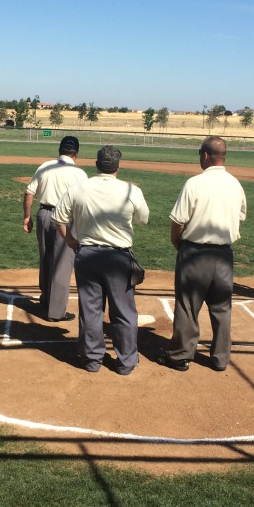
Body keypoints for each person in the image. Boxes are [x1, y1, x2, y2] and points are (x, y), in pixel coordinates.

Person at [53, 145, 150, 375]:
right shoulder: (131, 191)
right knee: (124, 311)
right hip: (118, 257)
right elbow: (143, 219)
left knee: (90, 309)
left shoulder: (79, 188)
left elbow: (59, 218)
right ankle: (126, 361)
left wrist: (71, 242)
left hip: (88, 255)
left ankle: (92, 359)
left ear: (96, 165)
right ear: (118, 166)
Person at [157, 137, 245, 372]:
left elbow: (178, 221)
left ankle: (181, 355)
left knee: (187, 306)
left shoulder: (195, 183)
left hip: (195, 252)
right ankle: (220, 359)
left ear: (205, 155)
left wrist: (178, 243)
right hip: (224, 254)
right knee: (222, 308)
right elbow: (241, 216)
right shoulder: (235, 184)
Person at [23, 135, 88, 322]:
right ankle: (56, 312)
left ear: (59, 150)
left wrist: (27, 217)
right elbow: (83, 203)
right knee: (62, 264)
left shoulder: (45, 166)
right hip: (66, 220)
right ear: (75, 153)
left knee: (46, 258)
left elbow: (29, 192)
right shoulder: (79, 174)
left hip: (44, 215)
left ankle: (45, 299)